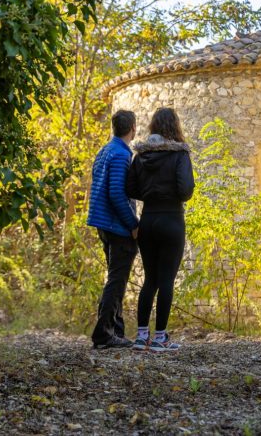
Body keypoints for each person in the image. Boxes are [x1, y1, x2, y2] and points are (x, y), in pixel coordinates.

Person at [126, 107, 194, 352]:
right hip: (172, 220)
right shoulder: (179, 155)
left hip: (148, 220)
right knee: (166, 281)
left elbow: (130, 188)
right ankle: (160, 338)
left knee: (150, 280)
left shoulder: (140, 156)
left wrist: (149, 193)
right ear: (174, 126)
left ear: (153, 126)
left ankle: (142, 335)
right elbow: (186, 190)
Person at [87, 110, 139, 349]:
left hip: (103, 223)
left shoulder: (105, 151)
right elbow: (117, 193)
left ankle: (115, 330)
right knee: (117, 281)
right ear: (133, 129)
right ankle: (104, 333)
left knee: (115, 279)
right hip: (117, 226)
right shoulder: (120, 154)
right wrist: (133, 224)